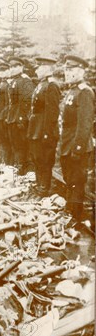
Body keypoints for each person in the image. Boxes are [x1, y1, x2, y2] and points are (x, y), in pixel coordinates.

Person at [60, 55, 94, 222]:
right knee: (69, 180)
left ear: (81, 71)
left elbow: (84, 125)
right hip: (67, 144)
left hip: (77, 146)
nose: (67, 72)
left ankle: (76, 217)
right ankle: (70, 211)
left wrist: (78, 148)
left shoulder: (85, 92)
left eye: (71, 69)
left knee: (77, 181)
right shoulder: (72, 90)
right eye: (66, 69)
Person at [27, 57, 60, 196]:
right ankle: (39, 183)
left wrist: (47, 132)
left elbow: (52, 113)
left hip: (45, 129)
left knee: (45, 159)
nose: (36, 69)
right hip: (36, 127)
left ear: (47, 68)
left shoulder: (52, 85)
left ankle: (44, 188)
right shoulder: (42, 84)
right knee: (37, 157)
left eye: (39, 67)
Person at [6, 56, 34, 175]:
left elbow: (27, 101)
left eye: (15, 66)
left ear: (21, 67)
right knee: (15, 142)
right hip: (13, 116)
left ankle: (24, 167)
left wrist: (22, 118)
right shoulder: (14, 80)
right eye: (11, 67)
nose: (12, 69)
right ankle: (19, 165)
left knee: (22, 144)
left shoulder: (25, 80)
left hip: (20, 118)